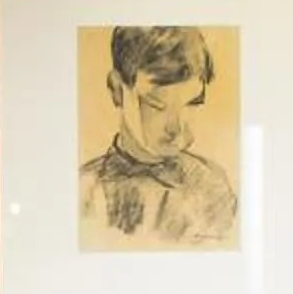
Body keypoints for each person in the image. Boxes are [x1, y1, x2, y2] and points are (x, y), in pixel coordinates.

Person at [80, 25, 237, 246]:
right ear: (117, 90)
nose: (177, 127)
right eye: (157, 105)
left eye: (193, 102)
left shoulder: (212, 189)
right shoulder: (81, 191)